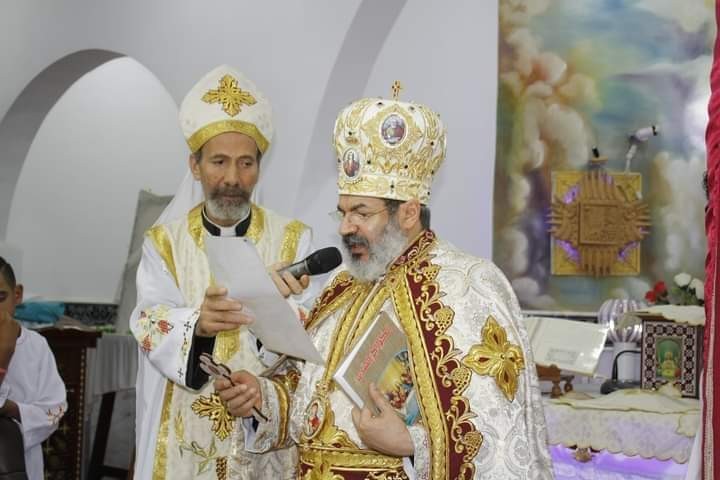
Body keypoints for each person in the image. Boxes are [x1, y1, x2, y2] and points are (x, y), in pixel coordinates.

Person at [217, 93, 554, 478]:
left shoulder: (466, 286)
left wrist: (411, 444)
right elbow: (309, 402)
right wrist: (262, 400)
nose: (346, 227)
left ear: (408, 212)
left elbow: (499, 436)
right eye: (343, 213)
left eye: (361, 213)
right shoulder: (344, 287)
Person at [130, 65, 315, 479]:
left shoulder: (293, 241)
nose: (233, 178)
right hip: (184, 433)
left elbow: (313, 335)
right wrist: (198, 326)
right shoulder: (164, 243)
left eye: (246, 163)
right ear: (194, 166)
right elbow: (149, 322)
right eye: (219, 162)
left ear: (259, 168)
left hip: (263, 431)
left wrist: (269, 313)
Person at [0, 257, 66, 480]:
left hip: (22, 463)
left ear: (17, 294)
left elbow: (54, 410)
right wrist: (4, 354)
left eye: (0, 297)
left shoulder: (36, 345)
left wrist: (10, 409)